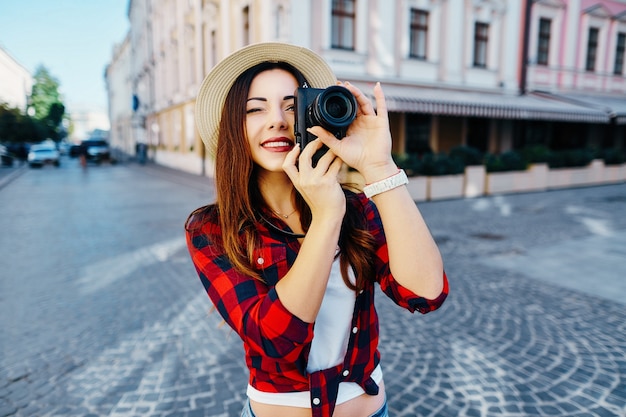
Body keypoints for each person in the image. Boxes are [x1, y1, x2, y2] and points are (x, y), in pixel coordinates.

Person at [185, 43, 449, 417]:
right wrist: (326, 219)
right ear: (234, 126)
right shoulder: (212, 228)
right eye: (255, 108)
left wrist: (380, 168)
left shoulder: (356, 208)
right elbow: (274, 339)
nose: (277, 120)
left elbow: (425, 294)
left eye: (292, 106)